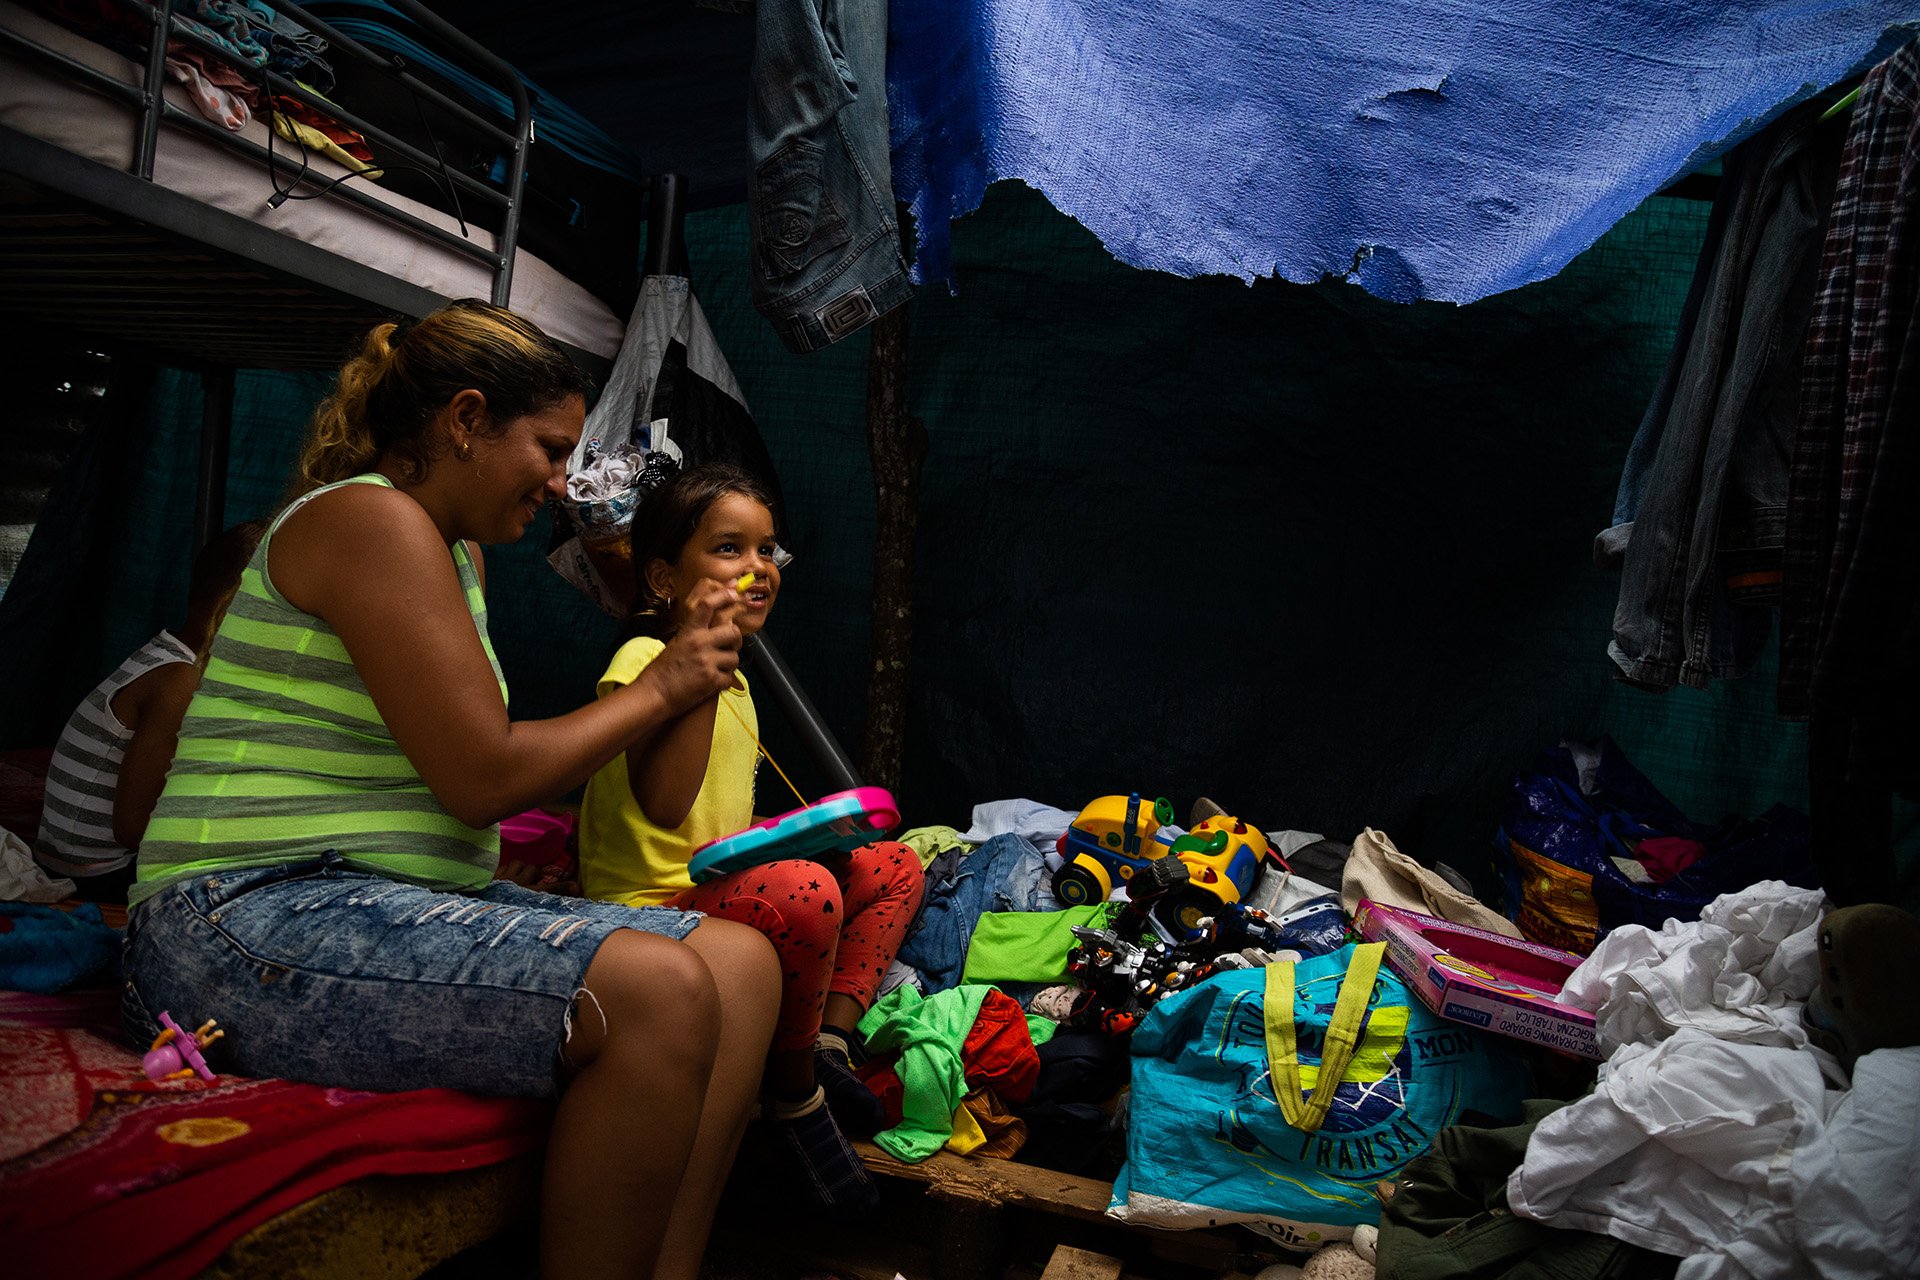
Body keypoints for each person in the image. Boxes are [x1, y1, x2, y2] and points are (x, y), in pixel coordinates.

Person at [124, 301, 782, 1280]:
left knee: (743, 964)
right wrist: (661, 685)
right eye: (550, 449)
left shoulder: (454, 550)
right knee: (659, 992)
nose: (562, 483)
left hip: (373, 897)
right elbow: (484, 777)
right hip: (233, 916)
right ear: (465, 420)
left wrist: (674, 674)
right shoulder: (370, 518)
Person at [577, 462, 926, 1211]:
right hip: (649, 907)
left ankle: (827, 1042)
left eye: (768, 550)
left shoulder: (734, 679)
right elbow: (667, 807)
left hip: (716, 884)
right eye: (730, 549)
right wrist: (698, 667)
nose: (758, 568)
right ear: (665, 576)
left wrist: (790, 838)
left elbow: (720, 823)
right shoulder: (645, 662)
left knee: (893, 865)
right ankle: (794, 1090)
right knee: (804, 893)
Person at [33, 520, 262, 902]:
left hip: (75, 859)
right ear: (236, 604)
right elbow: (133, 829)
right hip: (94, 874)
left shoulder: (172, 653)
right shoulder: (180, 682)